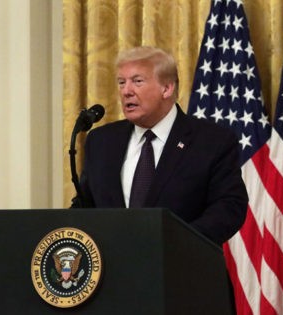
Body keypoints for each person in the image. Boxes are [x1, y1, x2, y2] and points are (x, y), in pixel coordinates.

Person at [79, 46, 248, 245]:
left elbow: (229, 207)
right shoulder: (102, 141)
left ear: (167, 88)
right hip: (114, 270)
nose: (126, 91)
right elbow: (85, 206)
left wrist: (174, 243)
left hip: (183, 268)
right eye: (121, 82)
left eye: (137, 81)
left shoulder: (211, 141)